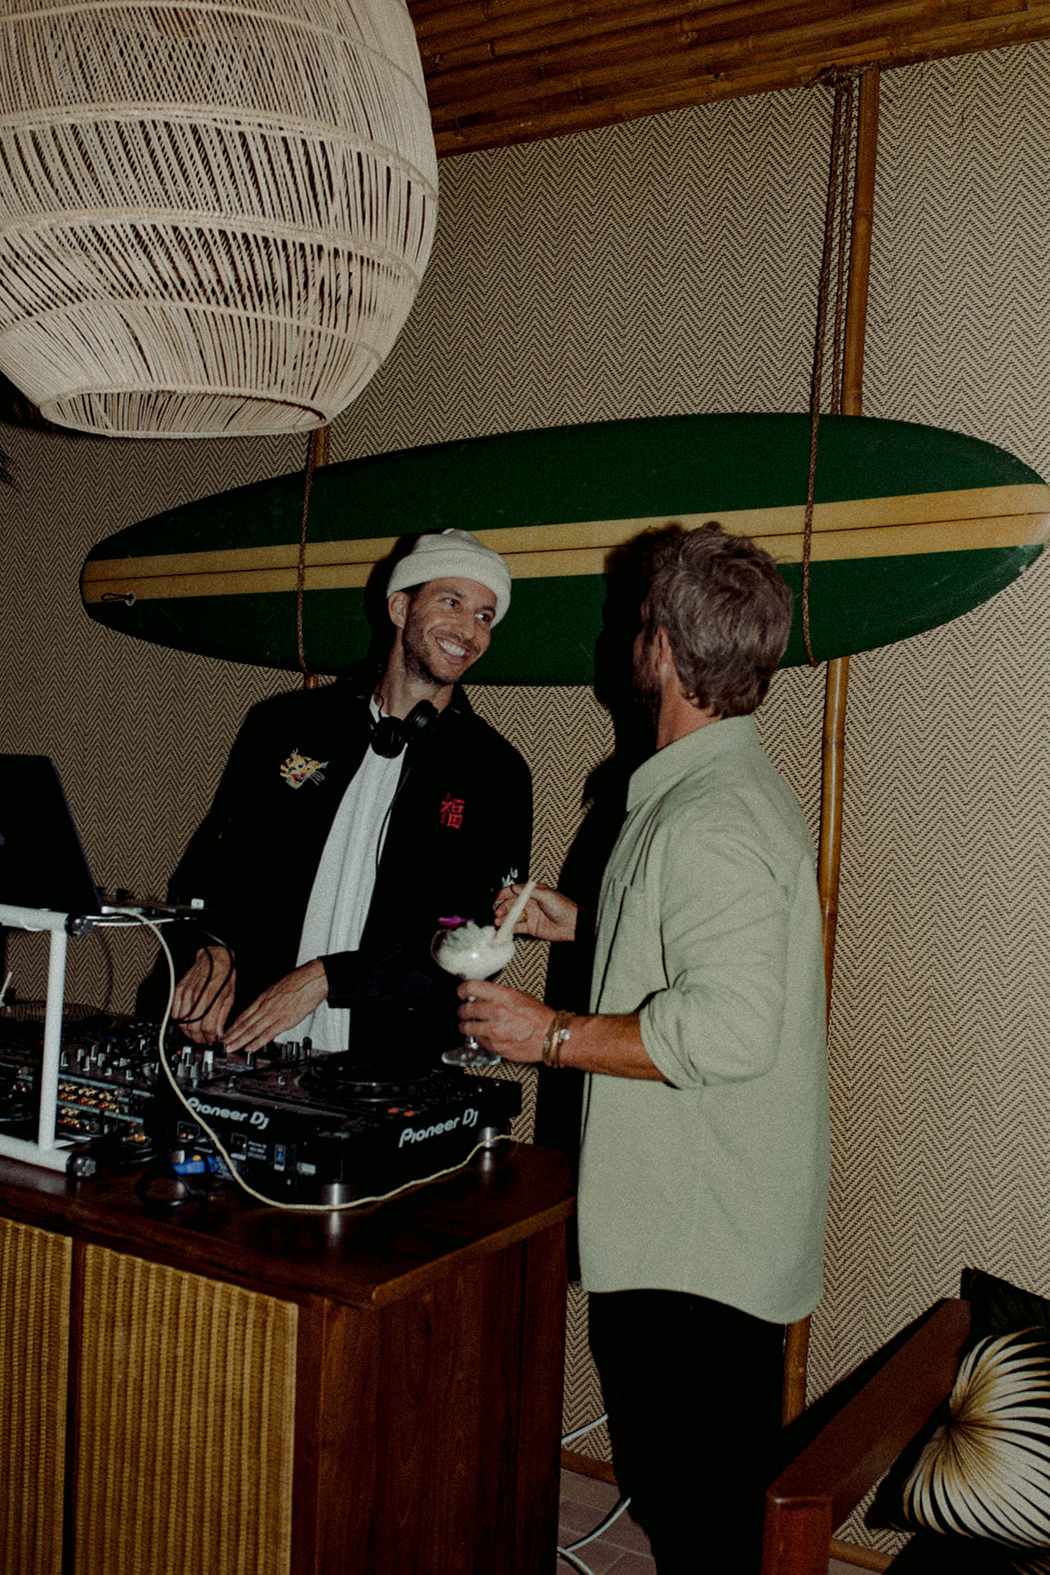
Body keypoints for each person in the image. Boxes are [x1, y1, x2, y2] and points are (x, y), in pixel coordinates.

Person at [461, 524, 829, 1574]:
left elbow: (729, 1028)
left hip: (697, 1248)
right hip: (702, 1231)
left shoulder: (709, 817)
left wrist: (547, 1034)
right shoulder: (708, 788)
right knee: (698, 1504)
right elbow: (699, 942)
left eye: (637, 624)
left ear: (660, 649)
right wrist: (583, 922)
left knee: (697, 1518)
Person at [167, 527, 533, 1057]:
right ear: (400, 607)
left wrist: (329, 978)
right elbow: (210, 866)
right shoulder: (282, 725)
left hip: (390, 1064)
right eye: (451, 602)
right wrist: (211, 948)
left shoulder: (495, 771)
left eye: (484, 615)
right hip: (249, 1043)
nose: (469, 630)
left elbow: (476, 938)